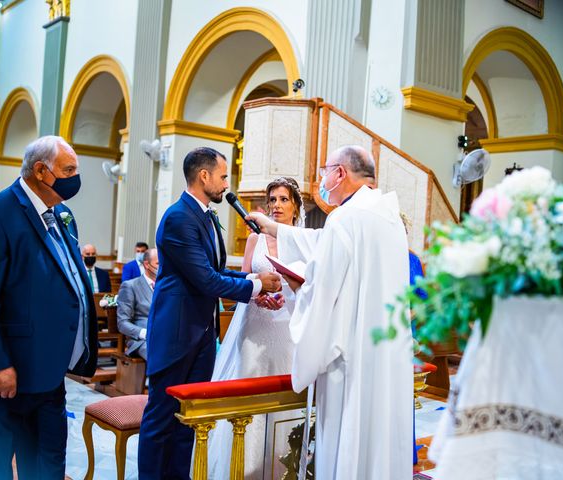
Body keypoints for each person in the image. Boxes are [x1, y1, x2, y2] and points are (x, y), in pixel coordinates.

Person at [248, 145, 413, 479]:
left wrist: (299, 288)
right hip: (385, 352)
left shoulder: (346, 218)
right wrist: (273, 228)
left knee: (347, 438)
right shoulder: (387, 215)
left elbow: (323, 292)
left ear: (340, 173)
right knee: (377, 439)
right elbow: (322, 243)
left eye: (324, 170)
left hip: (350, 356)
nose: (322, 179)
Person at [0, 135, 98, 480]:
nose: (75, 177)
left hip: (48, 375)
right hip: (3, 376)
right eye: (69, 170)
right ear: (40, 171)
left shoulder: (62, 214)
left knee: (47, 468)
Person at [138, 147, 282, 480]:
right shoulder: (178, 217)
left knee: (191, 417)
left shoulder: (205, 214)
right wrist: (257, 285)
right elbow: (205, 280)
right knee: (161, 418)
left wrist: (249, 279)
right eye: (222, 176)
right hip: (176, 333)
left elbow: (215, 269)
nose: (225, 183)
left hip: (201, 334)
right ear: (204, 176)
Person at [208, 177, 305, 479]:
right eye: (272, 199)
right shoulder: (255, 239)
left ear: (296, 206)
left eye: (284, 199)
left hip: (289, 325)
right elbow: (242, 281)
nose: (277, 205)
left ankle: (281, 468)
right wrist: (259, 296)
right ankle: (244, 468)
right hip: (257, 324)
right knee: (249, 390)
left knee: (285, 394)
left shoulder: (302, 239)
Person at [117, 248, 158, 360]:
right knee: (159, 355)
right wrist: (145, 333)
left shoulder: (165, 286)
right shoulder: (130, 286)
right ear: (147, 264)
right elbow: (122, 323)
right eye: (158, 263)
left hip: (165, 336)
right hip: (141, 340)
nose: (162, 267)